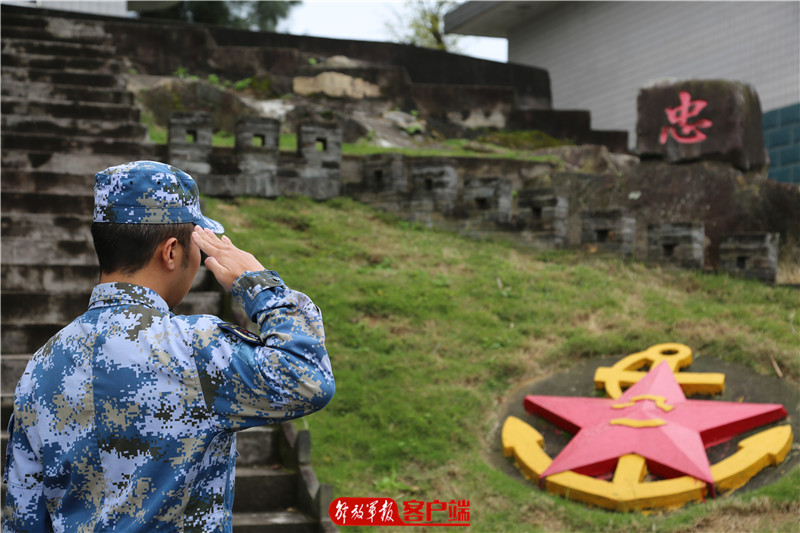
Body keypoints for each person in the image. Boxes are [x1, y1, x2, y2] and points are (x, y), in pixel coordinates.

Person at [3, 160, 335, 532]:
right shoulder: (195, 349)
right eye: (199, 248)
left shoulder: (41, 365)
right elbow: (308, 378)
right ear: (172, 252)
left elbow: (22, 519)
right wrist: (259, 285)